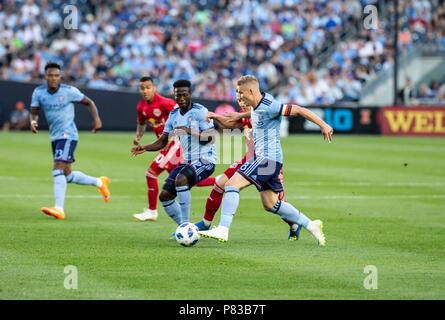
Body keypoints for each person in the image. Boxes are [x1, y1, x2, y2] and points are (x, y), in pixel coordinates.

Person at [199, 75, 333, 246]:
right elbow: (256, 112)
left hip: (266, 159)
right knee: (270, 204)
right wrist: (239, 116)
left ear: (251, 91)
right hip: (271, 161)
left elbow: (298, 110)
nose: (238, 96)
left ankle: (223, 229)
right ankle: (310, 224)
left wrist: (323, 125)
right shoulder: (258, 105)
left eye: (241, 92)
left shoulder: (271, 105)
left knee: (231, 185)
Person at [194, 95, 302, 241]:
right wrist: (216, 117)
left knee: (275, 203)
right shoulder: (243, 114)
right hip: (249, 159)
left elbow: (260, 114)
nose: (242, 103)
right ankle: (206, 223)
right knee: (220, 185)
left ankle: (296, 225)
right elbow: (231, 124)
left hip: (267, 162)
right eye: (240, 101)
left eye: (245, 101)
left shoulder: (263, 112)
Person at [131, 79, 217, 236]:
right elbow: (163, 140)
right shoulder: (174, 115)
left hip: (206, 159)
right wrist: (145, 147)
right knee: (165, 196)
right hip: (188, 161)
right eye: (178, 95)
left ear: (190, 94)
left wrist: (189, 131)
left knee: (181, 180)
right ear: (175, 96)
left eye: (184, 94)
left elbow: (211, 138)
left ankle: (185, 226)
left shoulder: (200, 111)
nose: (182, 98)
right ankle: (184, 229)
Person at [30, 62, 110, 220]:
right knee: (67, 175)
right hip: (55, 136)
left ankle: (59, 208)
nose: (53, 78)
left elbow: (89, 102)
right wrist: (33, 121)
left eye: (56, 76)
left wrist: (96, 119)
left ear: (60, 77)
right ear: (45, 77)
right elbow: (34, 111)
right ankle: (100, 182)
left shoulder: (69, 91)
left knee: (57, 169)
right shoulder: (38, 93)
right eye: (50, 76)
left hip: (68, 135)